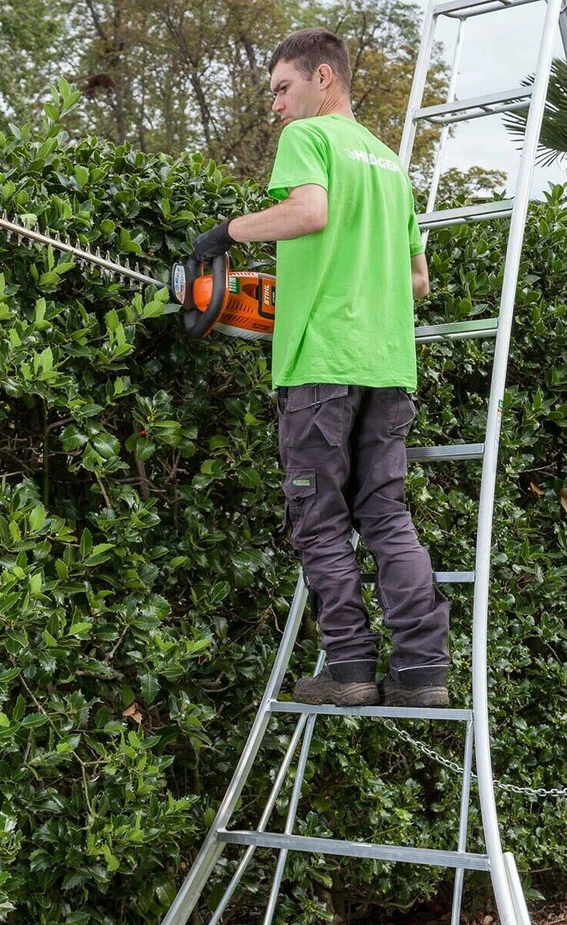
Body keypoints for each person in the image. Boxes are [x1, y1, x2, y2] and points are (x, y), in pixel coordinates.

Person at [191, 27, 450, 708]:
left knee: (320, 517)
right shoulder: (389, 163)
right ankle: (423, 671)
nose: (276, 104)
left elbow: (308, 213)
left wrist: (224, 234)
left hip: (320, 365)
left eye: (283, 87)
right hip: (387, 364)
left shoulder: (307, 137)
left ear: (322, 78)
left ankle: (351, 667)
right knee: (386, 515)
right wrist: (342, 282)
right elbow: (418, 280)